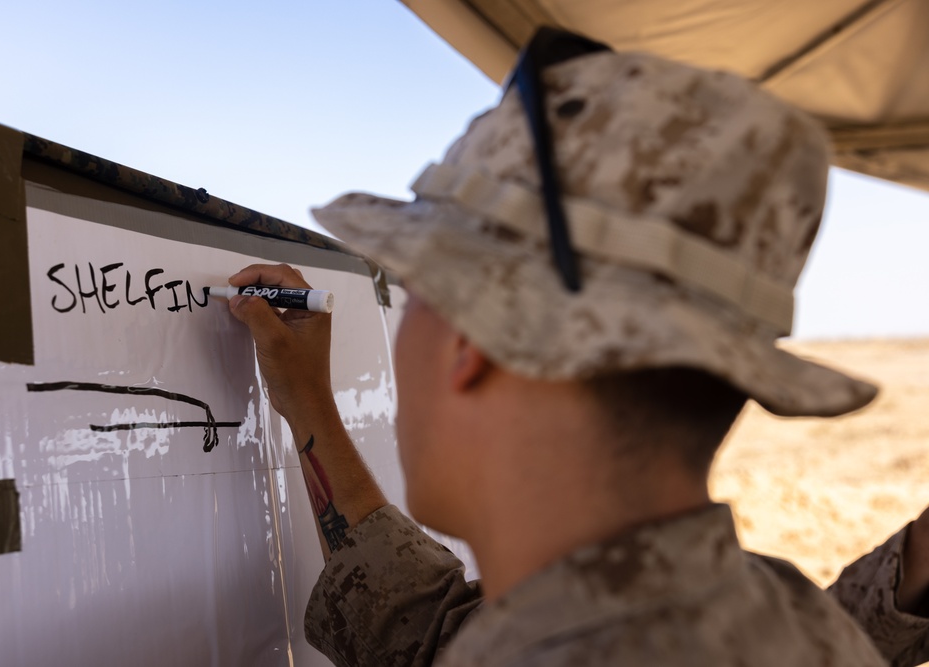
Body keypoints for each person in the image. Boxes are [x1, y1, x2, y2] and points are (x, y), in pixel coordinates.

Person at [225, 29, 929, 667]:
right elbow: (436, 637)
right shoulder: (793, 623)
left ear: (471, 339)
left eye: (418, 290)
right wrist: (310, 407)